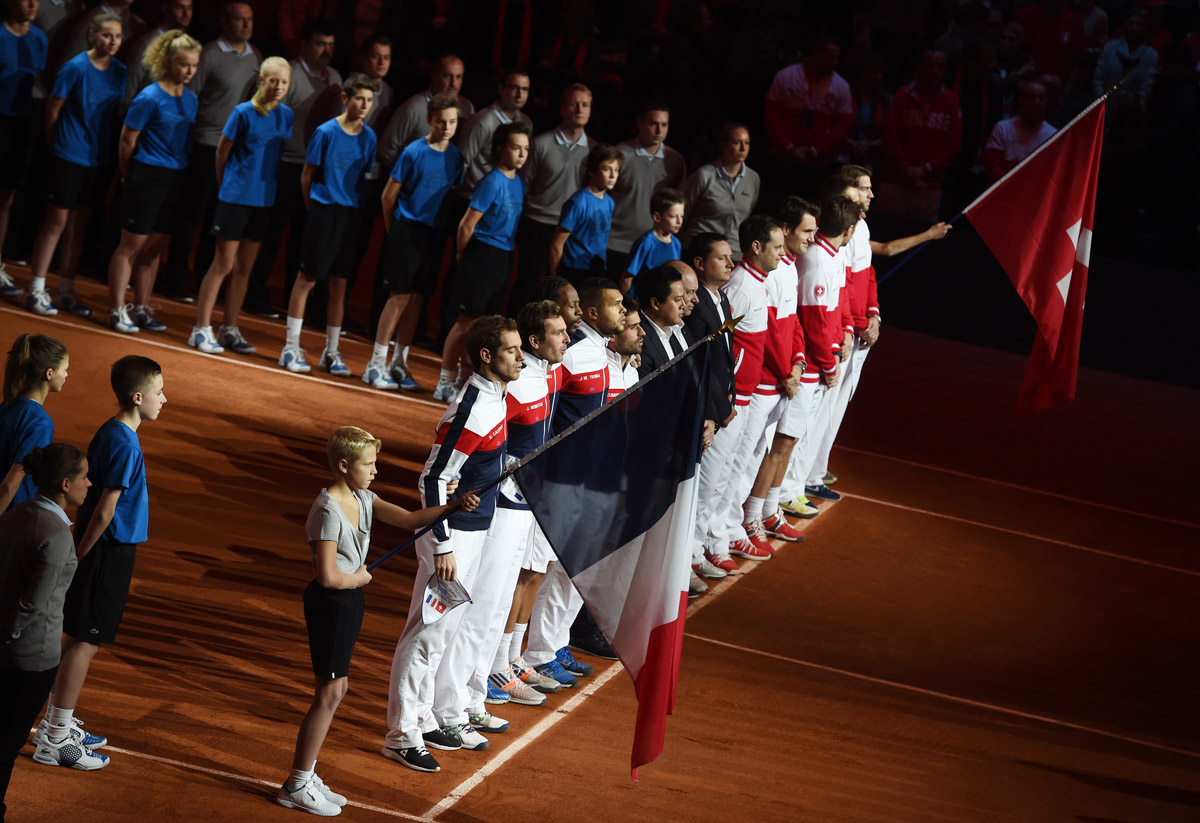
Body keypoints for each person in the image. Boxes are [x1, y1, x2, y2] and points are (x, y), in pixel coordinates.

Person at [276, 426, 477, 816]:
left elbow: (409, 518)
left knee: (337, 689)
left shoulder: (363, 497)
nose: (375, 471)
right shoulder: (327, 510)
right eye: (368, 464)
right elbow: (327, 576)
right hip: (331, 603)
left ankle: (306, 774)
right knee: (328, 694)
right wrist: (359, 578)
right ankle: (296, 783)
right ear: (343, 465)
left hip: (349, 600)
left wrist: (453, 507)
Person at [383, 316, 522, 773]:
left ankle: (423, 719)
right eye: (512, 350)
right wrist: (441, 547)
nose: (520, 358)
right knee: (427, 635)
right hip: (453, 540)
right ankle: (401, 735)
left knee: (446, 633)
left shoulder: (497, 398)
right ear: (486, 356)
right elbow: (432, 479)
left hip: (472, 533)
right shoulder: (473, 409)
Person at [35, 355, 166, 770]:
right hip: (107, 551)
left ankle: (58, 721)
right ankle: (55, 737)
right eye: (159, 392)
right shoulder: (126, 444)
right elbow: (106, 510)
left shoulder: (111, 431)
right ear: (138, 396)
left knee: (78, 636)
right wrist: (80, 554)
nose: (164, 399)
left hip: (100, 549)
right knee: (85, 641)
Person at [525, 278, 624, 686]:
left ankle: (555, 644)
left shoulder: (601, 353)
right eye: (617, 306)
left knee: (576, 567)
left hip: (590, 477)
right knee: (548, 568)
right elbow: (548, 414)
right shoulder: (573, 355)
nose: (576, 314)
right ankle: (537, 652)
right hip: (561, 480)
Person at [1, 443, 93, 813]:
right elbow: (32, 604)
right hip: (30, 658)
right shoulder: (57, 534)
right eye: (85, 477)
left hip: (9, 648)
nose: (89, 483)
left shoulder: (17, 513)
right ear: (66, 484)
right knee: (7, 742)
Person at [188, 57, 292, 355]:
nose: (279, 87)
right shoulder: (243, 112)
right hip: (235, 197)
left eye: (284, 82)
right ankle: (200, 329)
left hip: (263, 200)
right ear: (261, 80)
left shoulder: (286, 115)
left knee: (245, 268)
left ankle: (229, 328)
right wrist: (227, 186)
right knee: (223, 264)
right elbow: (222, 151)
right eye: (273, 81)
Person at [23, 12, 125, 318]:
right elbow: (53, 110)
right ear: (92, 35)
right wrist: (57, 144)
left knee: (79, 226)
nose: (113, 41)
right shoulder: (75, 67)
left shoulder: (120, 72)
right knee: (56, 221)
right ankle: (36, 288)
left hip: (97, 158)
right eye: (107, 35)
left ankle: (65, 290)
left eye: (118, 36)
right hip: (69, 153)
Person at [278, 73, 378, 377]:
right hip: (323, 211)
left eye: (369, 100)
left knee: (340, 284)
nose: (365, 105)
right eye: (359, 98)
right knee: (307, 279)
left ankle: (331, 351)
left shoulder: (370, 137)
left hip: (350, 216)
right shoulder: (325, 132)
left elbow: (363, 177)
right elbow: (306, 176)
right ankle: (290, 347)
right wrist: (317, 210)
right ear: (345, 99)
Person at [160, 2, 261, 303]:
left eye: (249, 19)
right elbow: (189, 98)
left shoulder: (257, 57)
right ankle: (176, 278)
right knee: (192, 215)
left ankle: (205, 280)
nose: (246, 25)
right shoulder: (209, 54)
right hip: (206, 144)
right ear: (224, 21)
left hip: (236, 152)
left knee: (218, 220)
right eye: (239, 19)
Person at [364, 92, 464, 392]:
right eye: (441, 121)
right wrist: (394, 229)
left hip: (433, 236)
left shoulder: (456, 157)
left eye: (452, 122)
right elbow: (388, 196)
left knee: (418, 298)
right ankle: (375, 363)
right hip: (407, 230)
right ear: (429, 120)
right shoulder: (413, 152)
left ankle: (399, 362)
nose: (446, 127)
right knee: (399, 297)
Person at [105, 29, 201, 334]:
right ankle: (116, 310)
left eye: (194, 65)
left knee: (155, 248)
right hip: (147, 174)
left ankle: (141, 308)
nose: (190, 71)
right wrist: (128, 175)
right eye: (184, 64)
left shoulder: (192, 100)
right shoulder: (149, 96)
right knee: (130, 246)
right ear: (168, 61)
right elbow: (127, 140)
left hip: (176, 177)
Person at [246, 19, 340, 319]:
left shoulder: (335, 78)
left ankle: (292, 301)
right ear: (303, 45)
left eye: (330, 45)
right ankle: (254, 294)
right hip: (283, 165)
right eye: (320, 44)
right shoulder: (290, 74)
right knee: (271, 234)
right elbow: (266, 112)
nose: (326, 50)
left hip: (313, 170)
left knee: (303, 238)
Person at [433, 122, 530, 402]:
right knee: (465, 322)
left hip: (503, 257)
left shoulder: (519, 183)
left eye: (525, 149)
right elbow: (466, 225)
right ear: (500, 149)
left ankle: (465, 379)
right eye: (515, 148)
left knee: (484, 326)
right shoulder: (491, 182)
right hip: (482, 254)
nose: (522, 154)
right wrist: (463, 257)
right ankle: (445, 380)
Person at [743, 197, 819, 538]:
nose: (812, 239)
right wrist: (787, 372)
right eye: (807, 231)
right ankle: (743, 522)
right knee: (748, 457)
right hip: (766, 381)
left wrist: (798, 361)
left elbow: (793, 323)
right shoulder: (769, 275)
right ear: (786, 230)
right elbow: (769, 332)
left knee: (772, 448)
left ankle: (763, 514)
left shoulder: (789, 267)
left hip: (783, 377)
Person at [785, 197, 858, 512]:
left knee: (804, 432)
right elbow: (814, 321)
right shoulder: (816, 260)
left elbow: (839, 304)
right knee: (793, 435)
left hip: (822, 360)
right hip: (813, 363)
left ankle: (793, 488)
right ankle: (785, 493)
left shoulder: (832, 256)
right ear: (849, 229)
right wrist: (829, 364)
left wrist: (846, 332)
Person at [683, 232, 736, 578]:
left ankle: (697, 550)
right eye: (722, 258)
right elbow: (701, 366)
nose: (731, 264)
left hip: (724, 405)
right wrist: (716, 412)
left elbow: (725, 359)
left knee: (717, 483)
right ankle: (687, 558)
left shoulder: (721, 298)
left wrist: (731, 395)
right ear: (700, 264)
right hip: (710, 413)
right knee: (701, 490)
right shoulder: (697, 307)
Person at [512, 84, 591, 304]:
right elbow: (523, 185)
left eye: (585, 105)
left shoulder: (593, 150)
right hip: (537, 224)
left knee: (559, 292)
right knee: (527, 284)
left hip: (570, 230)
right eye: (574, 104)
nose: (580, 109)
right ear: (563, 108)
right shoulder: (540, 144)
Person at [877, 49, 962, 224]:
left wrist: (926, 169)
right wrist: (905, 168)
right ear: (920, 67)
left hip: (929, 186)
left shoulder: (951, 101)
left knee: (923, 235)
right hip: (895, 181)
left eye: (940, 66)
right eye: (931, 65)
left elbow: (953, 144)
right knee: (885, 230)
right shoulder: (902, 96)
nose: (935, 70)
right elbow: (889, 135)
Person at [0, 0, 48, 296]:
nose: (33, 4)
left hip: (21, 123)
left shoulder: (39, 38)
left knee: (6, 197)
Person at [606, 103, 686, 276]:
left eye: (664, 125)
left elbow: (678, 203)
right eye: (653, 124)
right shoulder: (621, 154)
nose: (659, 130)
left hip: (655, 246)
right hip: (617, 243)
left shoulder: (674, 160)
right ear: (639, 123)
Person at [763, 34, 853, 176]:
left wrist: (815, 150)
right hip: (782, 158)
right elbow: (771, 115)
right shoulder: (786, 76)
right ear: (815, 54)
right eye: (830, 57)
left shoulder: (841, 87)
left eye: (837, 58)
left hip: (817, 163)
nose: (835, 62)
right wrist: (788, 148)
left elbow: (842, 127)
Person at [376, 53, 474, 176]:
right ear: (433, 75)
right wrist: (409, 176)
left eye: (458, 77)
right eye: (447, 76)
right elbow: (386, 150)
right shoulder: (414, 108)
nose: (453, 83)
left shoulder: (466, 107)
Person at [1, 334, 68, 512]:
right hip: (12, 516)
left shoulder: (8, 405)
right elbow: (10, 486)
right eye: (64, 369)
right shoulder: (40, 424)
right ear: (49, 373)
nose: (66, 375)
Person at [680, 123, 761, 256]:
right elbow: (682, 212)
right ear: (723, 145)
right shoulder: (704, 175)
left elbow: (746, 217)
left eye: (747, 143)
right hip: (700, 250)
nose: (743, 148)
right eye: (737, 142)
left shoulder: (753, 178)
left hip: (733, 252)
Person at [548, 143, 621, 281]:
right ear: (592, 171)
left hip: (597, 268)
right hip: (575, 269)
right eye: (607, 169)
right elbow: (556, 245)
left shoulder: (609, 202)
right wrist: (556, 279)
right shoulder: (578, 202)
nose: (613, 175)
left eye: (616, 170)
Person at [457, 69, 532, 196]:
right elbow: (462, 161)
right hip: (474, 196)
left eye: (525, 89)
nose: (520, 94)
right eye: (514, 88)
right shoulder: (483, 121)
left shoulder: (526, 122)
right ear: (501, 89)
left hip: (502, 198)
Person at [984, 81, 1056, 183]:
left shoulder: (1053, 135)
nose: (1037, 102)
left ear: (1047, 103)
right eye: (1032, 97)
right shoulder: (1003, 128)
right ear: (1021, 100)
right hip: (1004, 187)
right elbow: (991, 164)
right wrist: (1008, 185)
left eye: (1041, 98)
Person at [123, 0, 192, 102]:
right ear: (165, 9)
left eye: (190, 8)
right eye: (179, 8)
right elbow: (130, 86)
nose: (186, 14)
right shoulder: (148, 44)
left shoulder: (190, 43)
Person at [623, 188, 685, 293]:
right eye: (673, 216)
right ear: (657, 217)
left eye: (682, 216)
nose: (679, 221)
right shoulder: (646, 243)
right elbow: (627, 278)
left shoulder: (676, 244)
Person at [634, 265, 687, 377]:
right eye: (678, 300)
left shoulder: (673, 329)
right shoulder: (638, 339)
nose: (683, 305)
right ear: (655, 303)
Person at [607, 295, 644, 399]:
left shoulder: (633, 368)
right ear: (612, 335)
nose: (642, 332)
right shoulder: (597, 368)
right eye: (633, 327)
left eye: (639, 325)